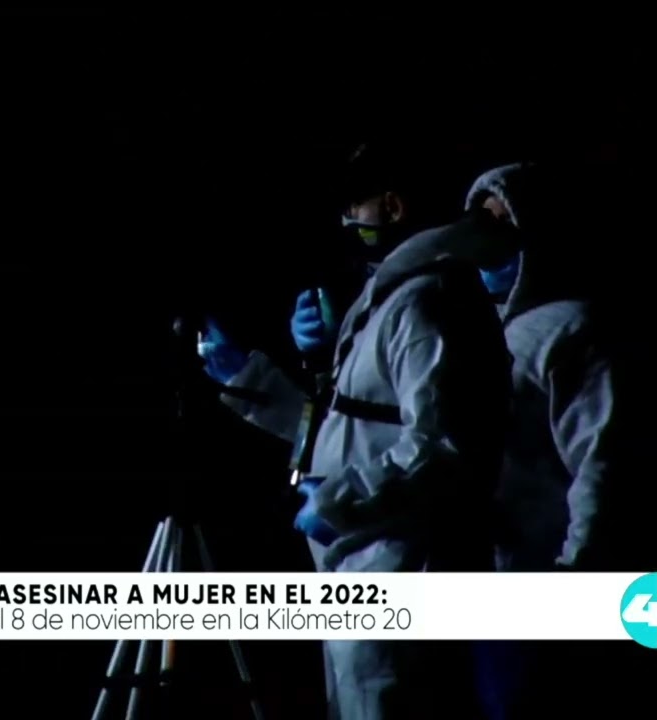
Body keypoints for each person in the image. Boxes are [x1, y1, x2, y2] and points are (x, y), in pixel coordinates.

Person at [198, 143, 512, 719]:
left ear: (392, 207)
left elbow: (443, 447)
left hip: (398, 569)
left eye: (354, 207)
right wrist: (253, 379)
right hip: (362, 569)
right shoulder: (393, 297)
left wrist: (338, 499)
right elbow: (352, 426)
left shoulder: (425, 301)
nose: (347, 221)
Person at [464, 162, 621, 717]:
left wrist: (573, 576)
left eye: (503, 222)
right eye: (480, 222)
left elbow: (600, 463)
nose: (486, 238)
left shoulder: (572, 328)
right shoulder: (478, 330)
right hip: (493, 583)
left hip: (544, 584)